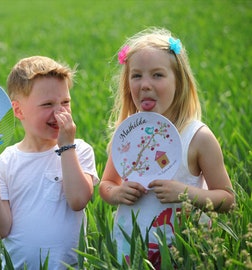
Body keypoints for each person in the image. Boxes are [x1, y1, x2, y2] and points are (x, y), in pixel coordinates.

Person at [99, 27, 234, 268]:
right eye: (136, 76)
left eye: (158, 75)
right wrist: (117, 193)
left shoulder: (197, 137)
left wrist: (186, 194)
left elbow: (227, 199)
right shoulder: (129, 134)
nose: (145, 85)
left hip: (184, 253)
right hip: (131, 251)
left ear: (179, 82)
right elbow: (106, 185)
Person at [0, 56, 99, 269]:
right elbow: (0, 229)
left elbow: (78, 200)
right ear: (18, 110)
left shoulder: (78, 150)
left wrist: (66, 147)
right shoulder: (3, 163)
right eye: (47, 104)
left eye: (65, 102)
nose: (60, 111)